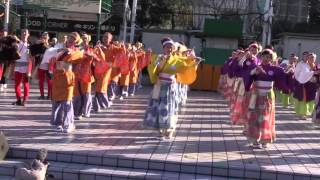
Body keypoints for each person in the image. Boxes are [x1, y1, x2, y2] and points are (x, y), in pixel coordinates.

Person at [144, 37, 198, 140]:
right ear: (163, 48)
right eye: (167, 47)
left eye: (171, 47)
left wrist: (193, 60)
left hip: (170, 88)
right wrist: (157, 64)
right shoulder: (157, 57)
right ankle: (160, 131)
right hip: (159, 86)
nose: (169, 49)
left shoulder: (177, 59)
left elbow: (186, 64)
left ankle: (169, 130)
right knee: (158, 109)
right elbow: (152, 69)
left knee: (169, 109)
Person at [246, 49, 288, 149]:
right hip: (256, 95)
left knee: (266, 118)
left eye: (269, 57)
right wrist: (253, 72)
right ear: (261, 57)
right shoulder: (256, 68)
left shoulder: (275, 69)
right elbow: (247, 76)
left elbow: (282, 79)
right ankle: (255, 139)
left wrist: (288, 87)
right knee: (255, 118)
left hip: (268, 96)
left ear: (272, 58)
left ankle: (265, 140)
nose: (266, 58)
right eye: (264, 56)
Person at [50, 32, 84, 133]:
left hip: (67, 78)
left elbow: (77, 57)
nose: (71, 39)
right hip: (57, 78)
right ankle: (58, 123)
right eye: (70, 37)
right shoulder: (59, 48)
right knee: (57, 102)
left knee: (67, 102)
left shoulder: (77, 51)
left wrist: (68, 51)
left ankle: (69, 124)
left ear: (76, 41)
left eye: (73, 38)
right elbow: (50, 58)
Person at [73, 33, 94, 119]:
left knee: (86, 94)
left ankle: (86, 112)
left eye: (86, 38)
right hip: (77, 74)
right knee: (77, 95)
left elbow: (91, 59)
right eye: (83, 38)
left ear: (88, 40)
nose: (84, 40)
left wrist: (87, 52)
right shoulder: (77, 48)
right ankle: (77, 113)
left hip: (86, 75)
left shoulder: (91, 49)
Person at [92, 32, 113, 112]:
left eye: (107, 37)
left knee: (101, 87)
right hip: (97, 69)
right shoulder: (98, 46)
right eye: (104, 37)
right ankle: (96, 106)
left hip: (106, 70)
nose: (104, 38)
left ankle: (105, 103)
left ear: (110, 39)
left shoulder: (113, 48)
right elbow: (93, 55)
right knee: (98, 87)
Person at [293, 52, 317, 119]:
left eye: (313, 58)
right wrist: (313, 73)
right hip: (304, 85)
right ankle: (302, 113)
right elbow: (302, 74)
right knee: (303, 99)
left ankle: (310, 112)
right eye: (310, 57)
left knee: (312, 99)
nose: (312, 59)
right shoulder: (302, 65)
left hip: (313, 85)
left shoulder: (315, 65)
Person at [12, 29, 32, 106]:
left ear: (28, 34)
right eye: (22, 32)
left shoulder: (30, 45)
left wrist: (29, 69)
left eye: (25, 32)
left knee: (26, 84)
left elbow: (31, 58)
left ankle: (25, 100)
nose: (24, 33)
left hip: (26, 66)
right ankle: (18, 99)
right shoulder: (17, 44)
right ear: (20, 34)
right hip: (17, 66)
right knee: (17, 84)